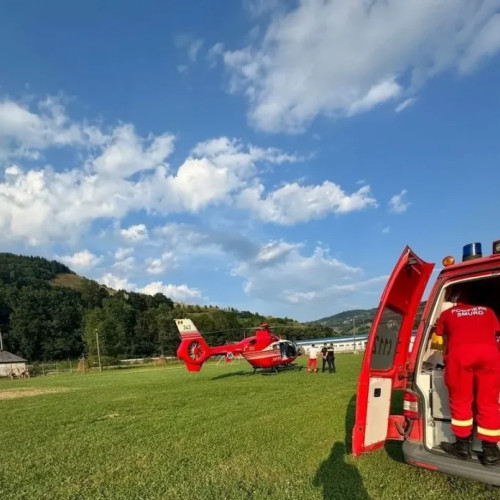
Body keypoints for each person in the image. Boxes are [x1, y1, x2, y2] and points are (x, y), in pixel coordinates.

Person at [435, 287, 500, 465]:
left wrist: (446, 359)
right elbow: (495, 333)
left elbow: (442, 339)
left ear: (456, 300)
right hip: (490, 356)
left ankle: (462, 447)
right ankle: (491, 452)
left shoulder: (448, 314)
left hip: (460, 356)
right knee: (488, 401)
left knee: (461, 400)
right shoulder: (488, 311)